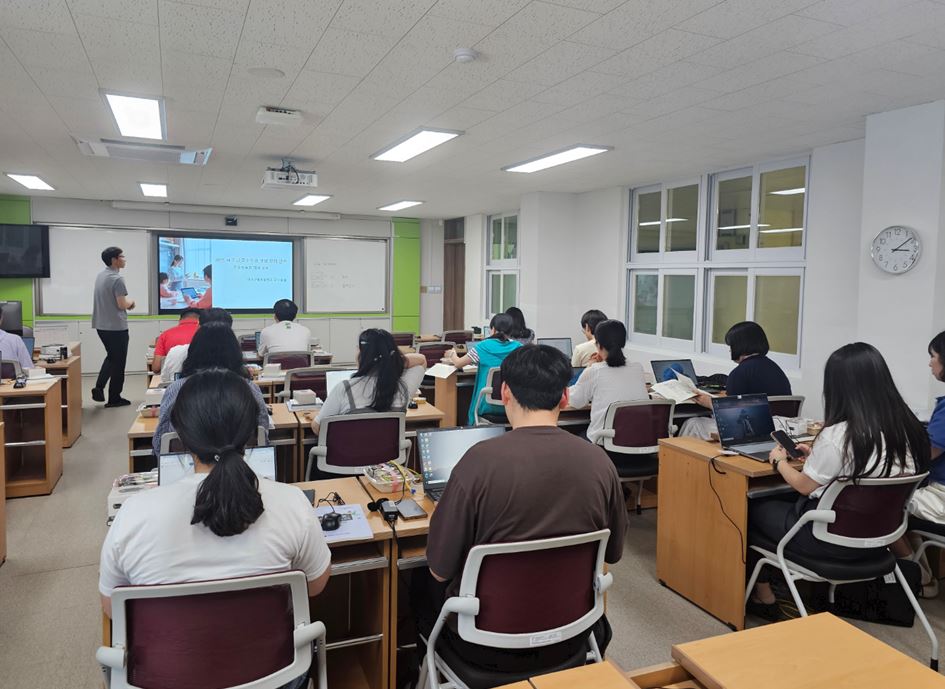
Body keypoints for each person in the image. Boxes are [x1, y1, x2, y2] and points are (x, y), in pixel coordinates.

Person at [100, 369, 330, 689]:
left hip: (166, 680)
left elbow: (113, 608)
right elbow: (315, 586)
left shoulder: (134, 513)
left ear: (179, 432)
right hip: (275, 678)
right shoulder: (292, 503)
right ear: (253, 430)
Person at [415, 344, 627, 673]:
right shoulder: (600, 462)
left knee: (417, 582)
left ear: (504, 393)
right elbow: (613, 553)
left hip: (483, 647)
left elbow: (440, 569)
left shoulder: (478, 462)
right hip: (574, 637)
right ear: (565, 397)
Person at [746, 343, 929, 621]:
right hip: (881, 538)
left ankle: (764, 595)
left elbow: (804, 486)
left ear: (838, 387)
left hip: (829, 543)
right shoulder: (908, 429)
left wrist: (779, 461)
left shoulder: (838, 436)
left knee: (750, 508)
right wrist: (816, 457)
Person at [154, 322, 268, 456]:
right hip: (241, 463)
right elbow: (262, 434)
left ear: (193, 352)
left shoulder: (177, 389)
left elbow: (161, 441)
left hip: (188, 463)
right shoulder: (249, 388)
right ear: (236, 353)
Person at [891, 330, 945, 596]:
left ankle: (919, 579)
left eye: (933, 356)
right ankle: (923, 573)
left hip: (941, 496)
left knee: (885, 506)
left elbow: (927, 453)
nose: (930, 363)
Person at [682, 321, 793, 439]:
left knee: (693, 423)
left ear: (739, 346)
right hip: (780, 431)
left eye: (731, 346)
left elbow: (731, 414)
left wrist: (708, 402)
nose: (730, 350)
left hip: (750, 432)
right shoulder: (774, 368)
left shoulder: (739, 373)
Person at [311, 329, 427, 434]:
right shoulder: (403, 389)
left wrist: (317, 417)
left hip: (351, 451)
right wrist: (389, 360)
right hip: (388, 452)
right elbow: (421, 360)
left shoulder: (345, 389)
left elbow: (318, 427)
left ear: (363, 356)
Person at [568, 319, 648, 442]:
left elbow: (575, 401)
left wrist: (589, 367)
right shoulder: (637, 368)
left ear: (598, 345)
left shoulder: (594, 371)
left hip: (605, 442)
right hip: (639, 441)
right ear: (623, 343)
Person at [446, 313, 522, 425]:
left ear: (493, 329)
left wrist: (452, 354)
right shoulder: (519, 348)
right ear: (511, 331)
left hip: (487, 406)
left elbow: (458, 364)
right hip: (512, 404)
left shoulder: (482, 346)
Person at [92, 246, 135, 407]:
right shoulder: (117, 279)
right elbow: (122, 304)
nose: (124, 259)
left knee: (112, 357)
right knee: (119, 363)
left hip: (101, 326)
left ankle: (99, 388)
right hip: (116, 327)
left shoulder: (101, 276)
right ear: (114, 260)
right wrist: (131, 303)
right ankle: (114, 398)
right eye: (121, 256)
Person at [160, 308, 234, 383]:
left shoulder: (176, 352)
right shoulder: (235, 358)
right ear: (230, 330)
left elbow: (165, 381)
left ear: (198, 326)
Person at [152, 308, 200, 374]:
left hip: (173, 378)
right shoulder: (206, 333)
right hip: (200, 377)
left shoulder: (165, 335)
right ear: (200, 320)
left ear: (180, 319)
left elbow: (156, 368)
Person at [0, 304, 34, 373]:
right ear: (1, 318)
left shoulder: (15, 340)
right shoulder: (15, 340)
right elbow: (28, 369)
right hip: (11, 380)